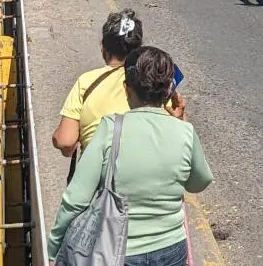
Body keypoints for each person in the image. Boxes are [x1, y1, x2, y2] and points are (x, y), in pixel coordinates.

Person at [48, 45, 213, 266]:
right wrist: (179, 122)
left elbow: (76, 199)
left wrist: (54, 245)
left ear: (127, 89)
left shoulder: (111, 129)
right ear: (168, 91)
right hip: (172, 249)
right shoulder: (185, 131)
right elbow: (200, 181)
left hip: (119, 251)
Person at [53, 10, 146, 160]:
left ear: (103, 48)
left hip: (98, 169)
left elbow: (65, 141)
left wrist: (58, 137)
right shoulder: (152, 81)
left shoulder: (86, 81)